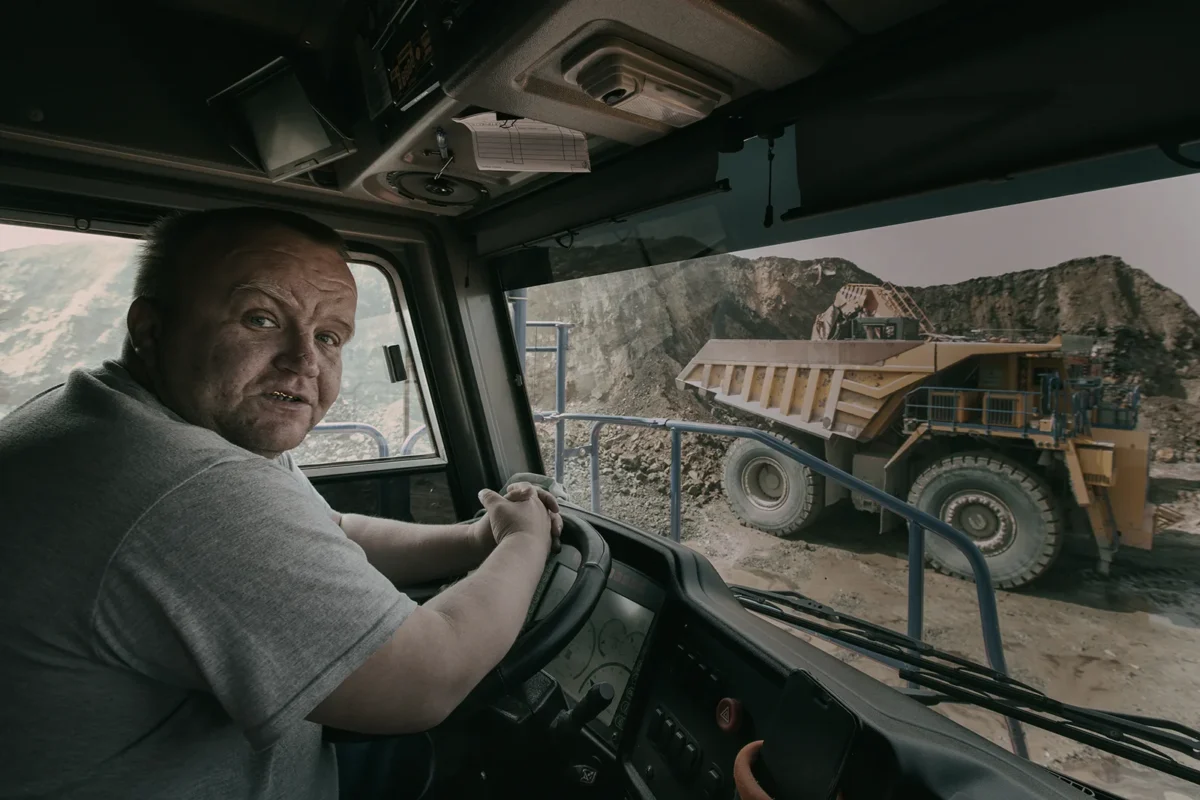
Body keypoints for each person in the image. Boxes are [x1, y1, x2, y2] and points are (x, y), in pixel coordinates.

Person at [0, 207, 562, 799]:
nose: (305, 361)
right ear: (151, 328)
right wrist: (526, 541)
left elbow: (331, 529)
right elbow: (429, 679)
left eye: (328, 336)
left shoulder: (122, 416)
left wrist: (476, 540)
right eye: (261, 319)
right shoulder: (187, 486)